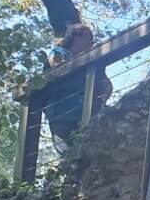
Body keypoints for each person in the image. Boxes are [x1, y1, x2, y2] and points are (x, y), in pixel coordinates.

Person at [42, 22, 112, 153]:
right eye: (88, 37)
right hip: (62, 117)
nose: (91, 42)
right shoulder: (59, 52)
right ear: (75, 36)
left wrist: (101, 101)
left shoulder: (94, 65)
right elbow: (57, 65)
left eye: (92, 39)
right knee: (68, 155)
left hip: (88, 116)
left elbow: (107, 86)